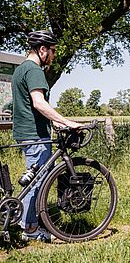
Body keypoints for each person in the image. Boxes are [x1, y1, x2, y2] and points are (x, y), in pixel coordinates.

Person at [12, 30, 83, 242]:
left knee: (33, 180)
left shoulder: (20, 69)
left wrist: (56, 121)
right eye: (52, 51)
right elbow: (39, 103)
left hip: (25, 132)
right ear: (42, 50)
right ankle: (31, 229)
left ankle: (27, 222)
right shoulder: (34, 70)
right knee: (37, 183)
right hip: (36, 135)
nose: (53, 56)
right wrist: (67, 121)